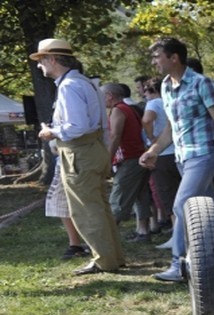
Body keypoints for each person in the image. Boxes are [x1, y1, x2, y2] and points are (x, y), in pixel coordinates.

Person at [139, 36, 214, 283]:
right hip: (182, 157)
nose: (154, 62)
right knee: (211, 207)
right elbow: (171, 130)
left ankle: (179, 264)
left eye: (157, 57)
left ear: (173, 58)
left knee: (182, 205)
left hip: (204, 153)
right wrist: (153, 150)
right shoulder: (165, 86)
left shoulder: (201, 84)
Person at [31, 38, 124, 275]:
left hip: (79, 153)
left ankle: (105, 260)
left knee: (86, 210)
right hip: (92, 151)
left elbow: (77, 126)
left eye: (41, 60)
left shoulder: (69, 86)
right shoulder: (84, 82)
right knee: (99, 207)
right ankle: (113, 257)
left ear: (52, 59)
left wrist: (50, 131)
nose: (39, 66)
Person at [101, 82, 153, 242]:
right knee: (141, 195)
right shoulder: (130, 108)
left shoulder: (118, 110)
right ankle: (143, 232)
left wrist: (108, 160)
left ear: (109, 96)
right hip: (139, 156)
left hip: (130, 159)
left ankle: (107, 238)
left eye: (102, 96)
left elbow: (115, 136)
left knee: (118, 197)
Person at [141, 77, 181, 247]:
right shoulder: (171, 100)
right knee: (180, 192)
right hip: (177, 151)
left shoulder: (153, 103)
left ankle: (177, 235)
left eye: (144, 90)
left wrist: (151, 138)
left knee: (167, 195)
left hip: (162, 152)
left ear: (151, 90)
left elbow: (146, 120)